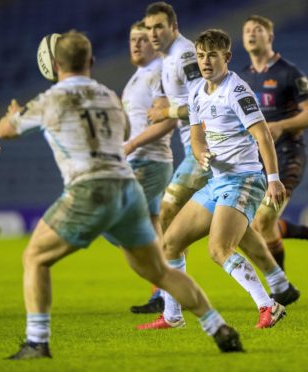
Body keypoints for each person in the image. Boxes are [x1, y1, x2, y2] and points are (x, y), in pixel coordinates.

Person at [0, 30, 243, 359]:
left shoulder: (49, 99)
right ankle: (217, 326)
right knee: (160, 272)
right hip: (128, 190)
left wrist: (13, 113)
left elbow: (5, 131)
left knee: (35, 258)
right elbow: (125, 131)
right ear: (92, 62)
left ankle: (37, 341)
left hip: (89, 188)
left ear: (56, 65)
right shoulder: (109, 96)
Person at [137, 29, 287, 330]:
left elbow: (263, 135)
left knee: (219, 250)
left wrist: (273, 178)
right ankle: (172, 315)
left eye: (212, 56)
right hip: (218, 181)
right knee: (170, 243)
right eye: (201, 55)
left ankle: (268, 305)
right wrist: (200, 149)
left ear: (226, 58)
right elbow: (195, 134)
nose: (205, 62)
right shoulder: (197, 92)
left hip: (244, 179)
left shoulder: (237, 90)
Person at [130, 1, 210, 314]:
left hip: (204, 147)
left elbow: (205, 102)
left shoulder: (185, 54)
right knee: (233, 234)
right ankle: (278, 285)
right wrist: (162, 104)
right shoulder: (168, 58)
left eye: (159, 27)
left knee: (167, 214)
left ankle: (172, 300)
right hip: (197, 147)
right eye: (148, 28)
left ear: (173, 28)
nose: (152, 33)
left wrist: (168, 110)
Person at [240, 15, 308, 269]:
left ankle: (279, 289)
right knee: (256, 224)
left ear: (269, 37)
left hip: (287, 155)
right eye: (247, 30)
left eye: (257, 29)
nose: (251, 33)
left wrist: (280, 125)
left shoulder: (288, 73)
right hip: (255, 160)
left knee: (263, 220)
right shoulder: (242, 78)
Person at [122, 21, 177, 313]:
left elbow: (169, 119)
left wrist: (130, 145)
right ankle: (163, 294)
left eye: (142, 39)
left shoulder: (159, 73)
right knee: (154, 227)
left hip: (148, 161)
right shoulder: (137, 76)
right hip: (140, 160)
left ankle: (166, 288)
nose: (135, 44)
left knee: (114, 219)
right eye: (132, 39)